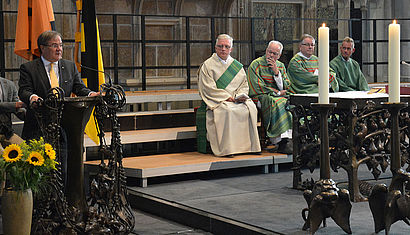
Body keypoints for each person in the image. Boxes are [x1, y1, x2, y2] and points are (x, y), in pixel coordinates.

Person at [18, 30, 99, 184]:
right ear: (43, 48)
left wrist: (90, 94)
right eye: (54, 45)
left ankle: (61, 205)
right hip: (38, 127)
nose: (59, 49)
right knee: (37, 173)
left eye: (61, 45)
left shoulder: (69, 66)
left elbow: (79, 88)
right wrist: (32, 97)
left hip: (64, 127)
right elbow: (24, 90)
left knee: (62, 170)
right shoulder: (29, 68)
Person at [198, 34, 261, 157]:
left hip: (236, 99)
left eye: (226, 46)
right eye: (220, 46)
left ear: (231, 49)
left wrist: (239, 96)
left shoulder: (236, 66)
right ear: (215, 48)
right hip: (219, 100)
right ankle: (228, 149)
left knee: (250, 107)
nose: (223, 49)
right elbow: (208, 87)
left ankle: (250, 147)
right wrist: (227, 97)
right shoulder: (208, 65)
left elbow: (244, 84)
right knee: (227, 111)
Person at [247, 40, 292, 154]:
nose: (271, 55)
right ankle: (280, 141)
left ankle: (290, 138)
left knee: (290, 103)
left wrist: (276, 72)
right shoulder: (256, 64)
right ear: (266, 51)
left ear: (279, 55)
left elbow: (287, 86)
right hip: (260, 97)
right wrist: (276, 92)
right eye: (269, 52)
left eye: (275, 54)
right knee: (278, 102)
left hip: (278, 97)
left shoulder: (280, 66)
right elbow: (256, 86)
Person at [0, 77, 26, 153]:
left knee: (26, 150)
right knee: (2, 156)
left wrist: (31, 113)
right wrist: (16, 105)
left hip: (6, 132)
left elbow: (18, 110)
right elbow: (16, 105)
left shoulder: (9, 84)